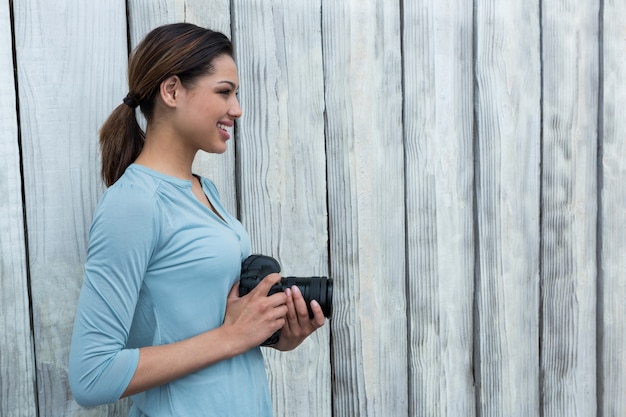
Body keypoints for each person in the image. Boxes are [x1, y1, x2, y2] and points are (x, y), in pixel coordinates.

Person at [68, 22, 326, 416]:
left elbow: (205, 321)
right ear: (171, 91)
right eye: (224, 92)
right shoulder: (133, 205)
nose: (236, 109)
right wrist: (232, 337)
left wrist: (274, 334)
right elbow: (91, 375)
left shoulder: (205, 191)